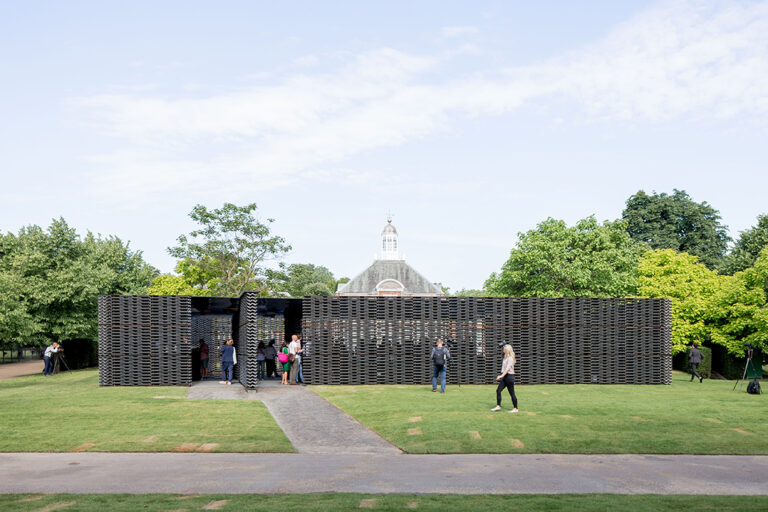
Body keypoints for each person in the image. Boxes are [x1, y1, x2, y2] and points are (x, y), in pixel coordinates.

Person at [492, 344, 519, 413]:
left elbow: (507, 369)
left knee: (512, 393)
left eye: (504, 349)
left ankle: (515, 408)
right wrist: (503, 344)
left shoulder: (510, 358)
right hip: (505, 377)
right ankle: (498, 406)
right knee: (498, 390)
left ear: (507, 350)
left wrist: (501, 376)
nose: (503, 350)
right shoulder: (505, 357)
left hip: (509, 377)